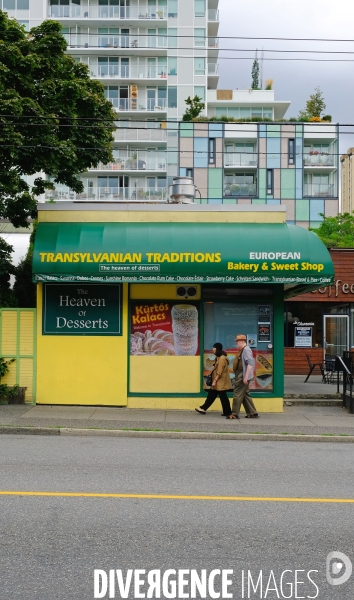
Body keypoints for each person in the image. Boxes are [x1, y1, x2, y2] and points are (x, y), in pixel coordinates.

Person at [195, 343, 231, 416]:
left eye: (214, 349)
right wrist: (214, 367)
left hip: (220, 381)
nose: (213, 351)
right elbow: (217, 368)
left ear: (217, 349)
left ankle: (227, 412)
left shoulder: (222, 358)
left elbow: (219, 372)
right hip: (218, 381)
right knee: (212, 395)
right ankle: (203, 408)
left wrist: (214, 381)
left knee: (223, 397)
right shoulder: (218, 357)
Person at [228, 334, 259, 420]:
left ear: (242, 341)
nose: (236, 343)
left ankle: (234, 413)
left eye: (237, 341)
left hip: (242, 374)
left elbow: (250, 363)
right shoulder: (243, 349)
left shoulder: (246, 350)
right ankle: (252, 413)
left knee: (237, 393)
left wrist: (246, 377)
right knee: (245, 394)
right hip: (241, 373)